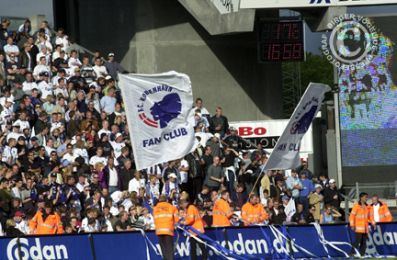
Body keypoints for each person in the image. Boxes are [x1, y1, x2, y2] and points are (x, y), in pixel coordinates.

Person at [153, 195, 179, 260]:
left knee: (163, 250)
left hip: (159, 231)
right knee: (169, 250)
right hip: (168, 230)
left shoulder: (155, 208)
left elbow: (154, 219)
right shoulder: (172, 207)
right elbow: (177, 220)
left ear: (159, 200)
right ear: (166, 200)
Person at [349, 192, 374, 256]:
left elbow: (370, 217)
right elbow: (352, 216)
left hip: (365, 228)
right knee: (357, 241)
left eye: (367, 197)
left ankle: (362, 255)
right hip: (358, 228)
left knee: (364, 243)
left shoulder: (368, 206)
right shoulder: (356, 206)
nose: (366, 198)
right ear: (361, 198)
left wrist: (373, 223)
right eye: (365, 197)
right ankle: (352, 253)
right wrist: (352, 225)